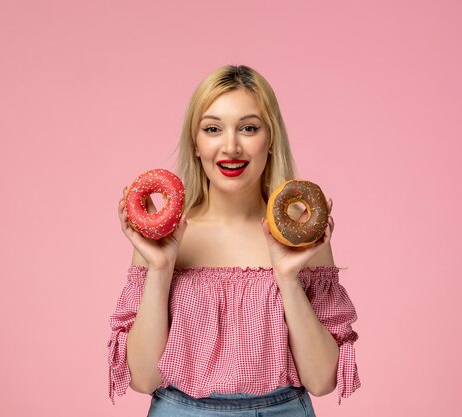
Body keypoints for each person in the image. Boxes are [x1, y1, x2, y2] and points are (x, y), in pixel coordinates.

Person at [108, 65, 360, 416]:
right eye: (213, 129)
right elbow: (144, 379)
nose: (231, 146)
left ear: (270, 139)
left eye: (249, 128)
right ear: (195, 143)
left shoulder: (301, 235)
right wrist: (161, 267)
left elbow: (321, 381)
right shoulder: (165, 237)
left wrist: (287, 277)